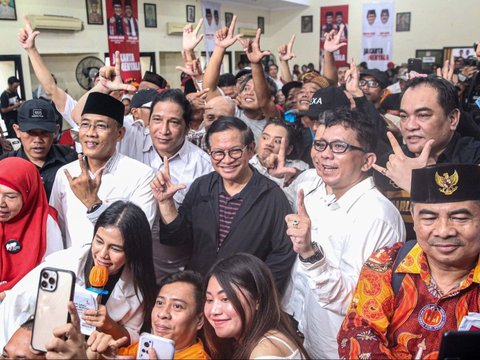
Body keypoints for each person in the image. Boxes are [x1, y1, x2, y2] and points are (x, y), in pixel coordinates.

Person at [282, 108, 405, 358]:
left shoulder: (376, 216)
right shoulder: (314, 192)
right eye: (320, 144)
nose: (324, 155)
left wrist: (309, 253)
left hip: (339, 349)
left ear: (368, 160)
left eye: (339, 147)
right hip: (303, 336)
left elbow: (356, 302)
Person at [338, 163, 480, 358]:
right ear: (413, 217)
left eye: (460, 218)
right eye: (429, 218)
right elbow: (359, 334)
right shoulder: (387, 263)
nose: (444, 231)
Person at [152, 116, 296, 293]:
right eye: (218, 153)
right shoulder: (201, 186)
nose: (227, 160)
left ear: (251, 150)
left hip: (242, 300)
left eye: (235, 151)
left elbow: (282, 256)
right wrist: (166, 203)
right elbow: (179, 239)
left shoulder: (272, 196)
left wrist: (256, 295)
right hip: (199, 293)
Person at [0, 201, 157, 349]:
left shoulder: (138, 285)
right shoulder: (63, 263)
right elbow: (16, 304)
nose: (103, 254)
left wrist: (109, 325)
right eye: (99, 241)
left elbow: (131, 337)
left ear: (133, 251)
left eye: (115, 249)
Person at [373, 76, 480, 240]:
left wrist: (418, 185)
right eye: (404, 116)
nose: (410, 126)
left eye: (423, 115)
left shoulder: (473, 161)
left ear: (452, 119)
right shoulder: (389, 163)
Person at [49, 92, 156, 249]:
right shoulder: (65, 174)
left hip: (119, 272)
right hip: (72, 270)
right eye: (85, 124)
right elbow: (57, 232)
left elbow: (138, 236)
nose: (91, 133)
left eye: (101, 126)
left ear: (119, 134)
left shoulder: (140, 175)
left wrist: (93, 204)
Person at [204, 253, 309, 359]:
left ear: (257, 299)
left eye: (225, 299)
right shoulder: (258, 340)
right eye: (209, 300)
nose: (214, 310)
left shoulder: (266, 352)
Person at [0, 157, 63, 299]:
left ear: (28, 195)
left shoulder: (45, 222)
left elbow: (52, 273)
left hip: (25, 304)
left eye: (10, 196)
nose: (1, 203)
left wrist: (6, 294)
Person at [0, 99, 77, 200]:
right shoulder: (4, 165)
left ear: (55, 131)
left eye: (44, 132)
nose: (37, 140)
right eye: (31, 132)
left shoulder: (71, 159)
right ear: (17, 131)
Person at [250, 120, 309, 187]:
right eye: (265, 138)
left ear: (289, 149)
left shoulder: (299, 167)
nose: (269, 143)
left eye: (277, 141)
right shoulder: (246, 166)